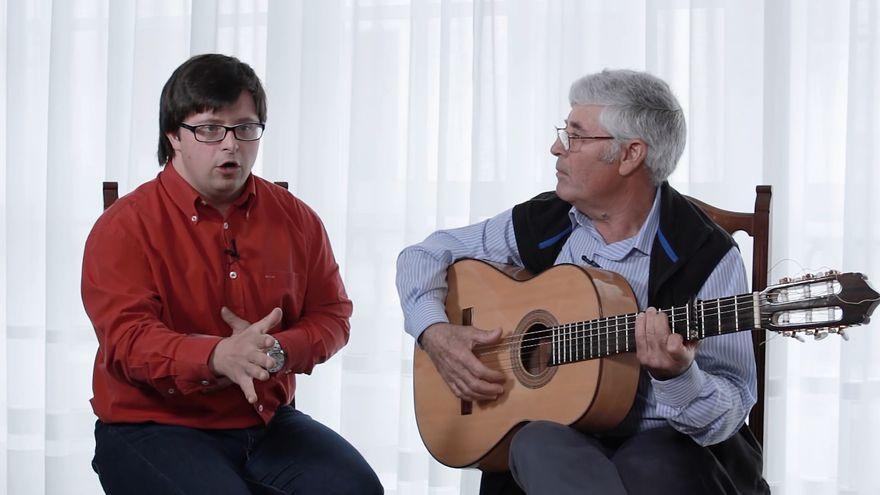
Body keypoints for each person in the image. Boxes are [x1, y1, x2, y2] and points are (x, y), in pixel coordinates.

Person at [396, 69, 769, 494]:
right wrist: (435, 332)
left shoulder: (707, 255)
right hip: (564, 447)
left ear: (629, 155)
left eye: (575, 135)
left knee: (655, 460)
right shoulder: (549, 219)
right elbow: (422, 256)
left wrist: (679, 376)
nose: (556, 147)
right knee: (534, 441)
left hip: (672, 453)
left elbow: (731, 411)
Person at [83, 54, 382, 495]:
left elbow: (333, 316)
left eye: (245, 128)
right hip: (152, 425)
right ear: (174, 136)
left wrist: (276, 351)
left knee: (358, 489)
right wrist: (216, 356)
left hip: (264, 423)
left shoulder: (297, 220)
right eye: (209, 129)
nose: (231, 145)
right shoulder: (125, 226)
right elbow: (128, 341)